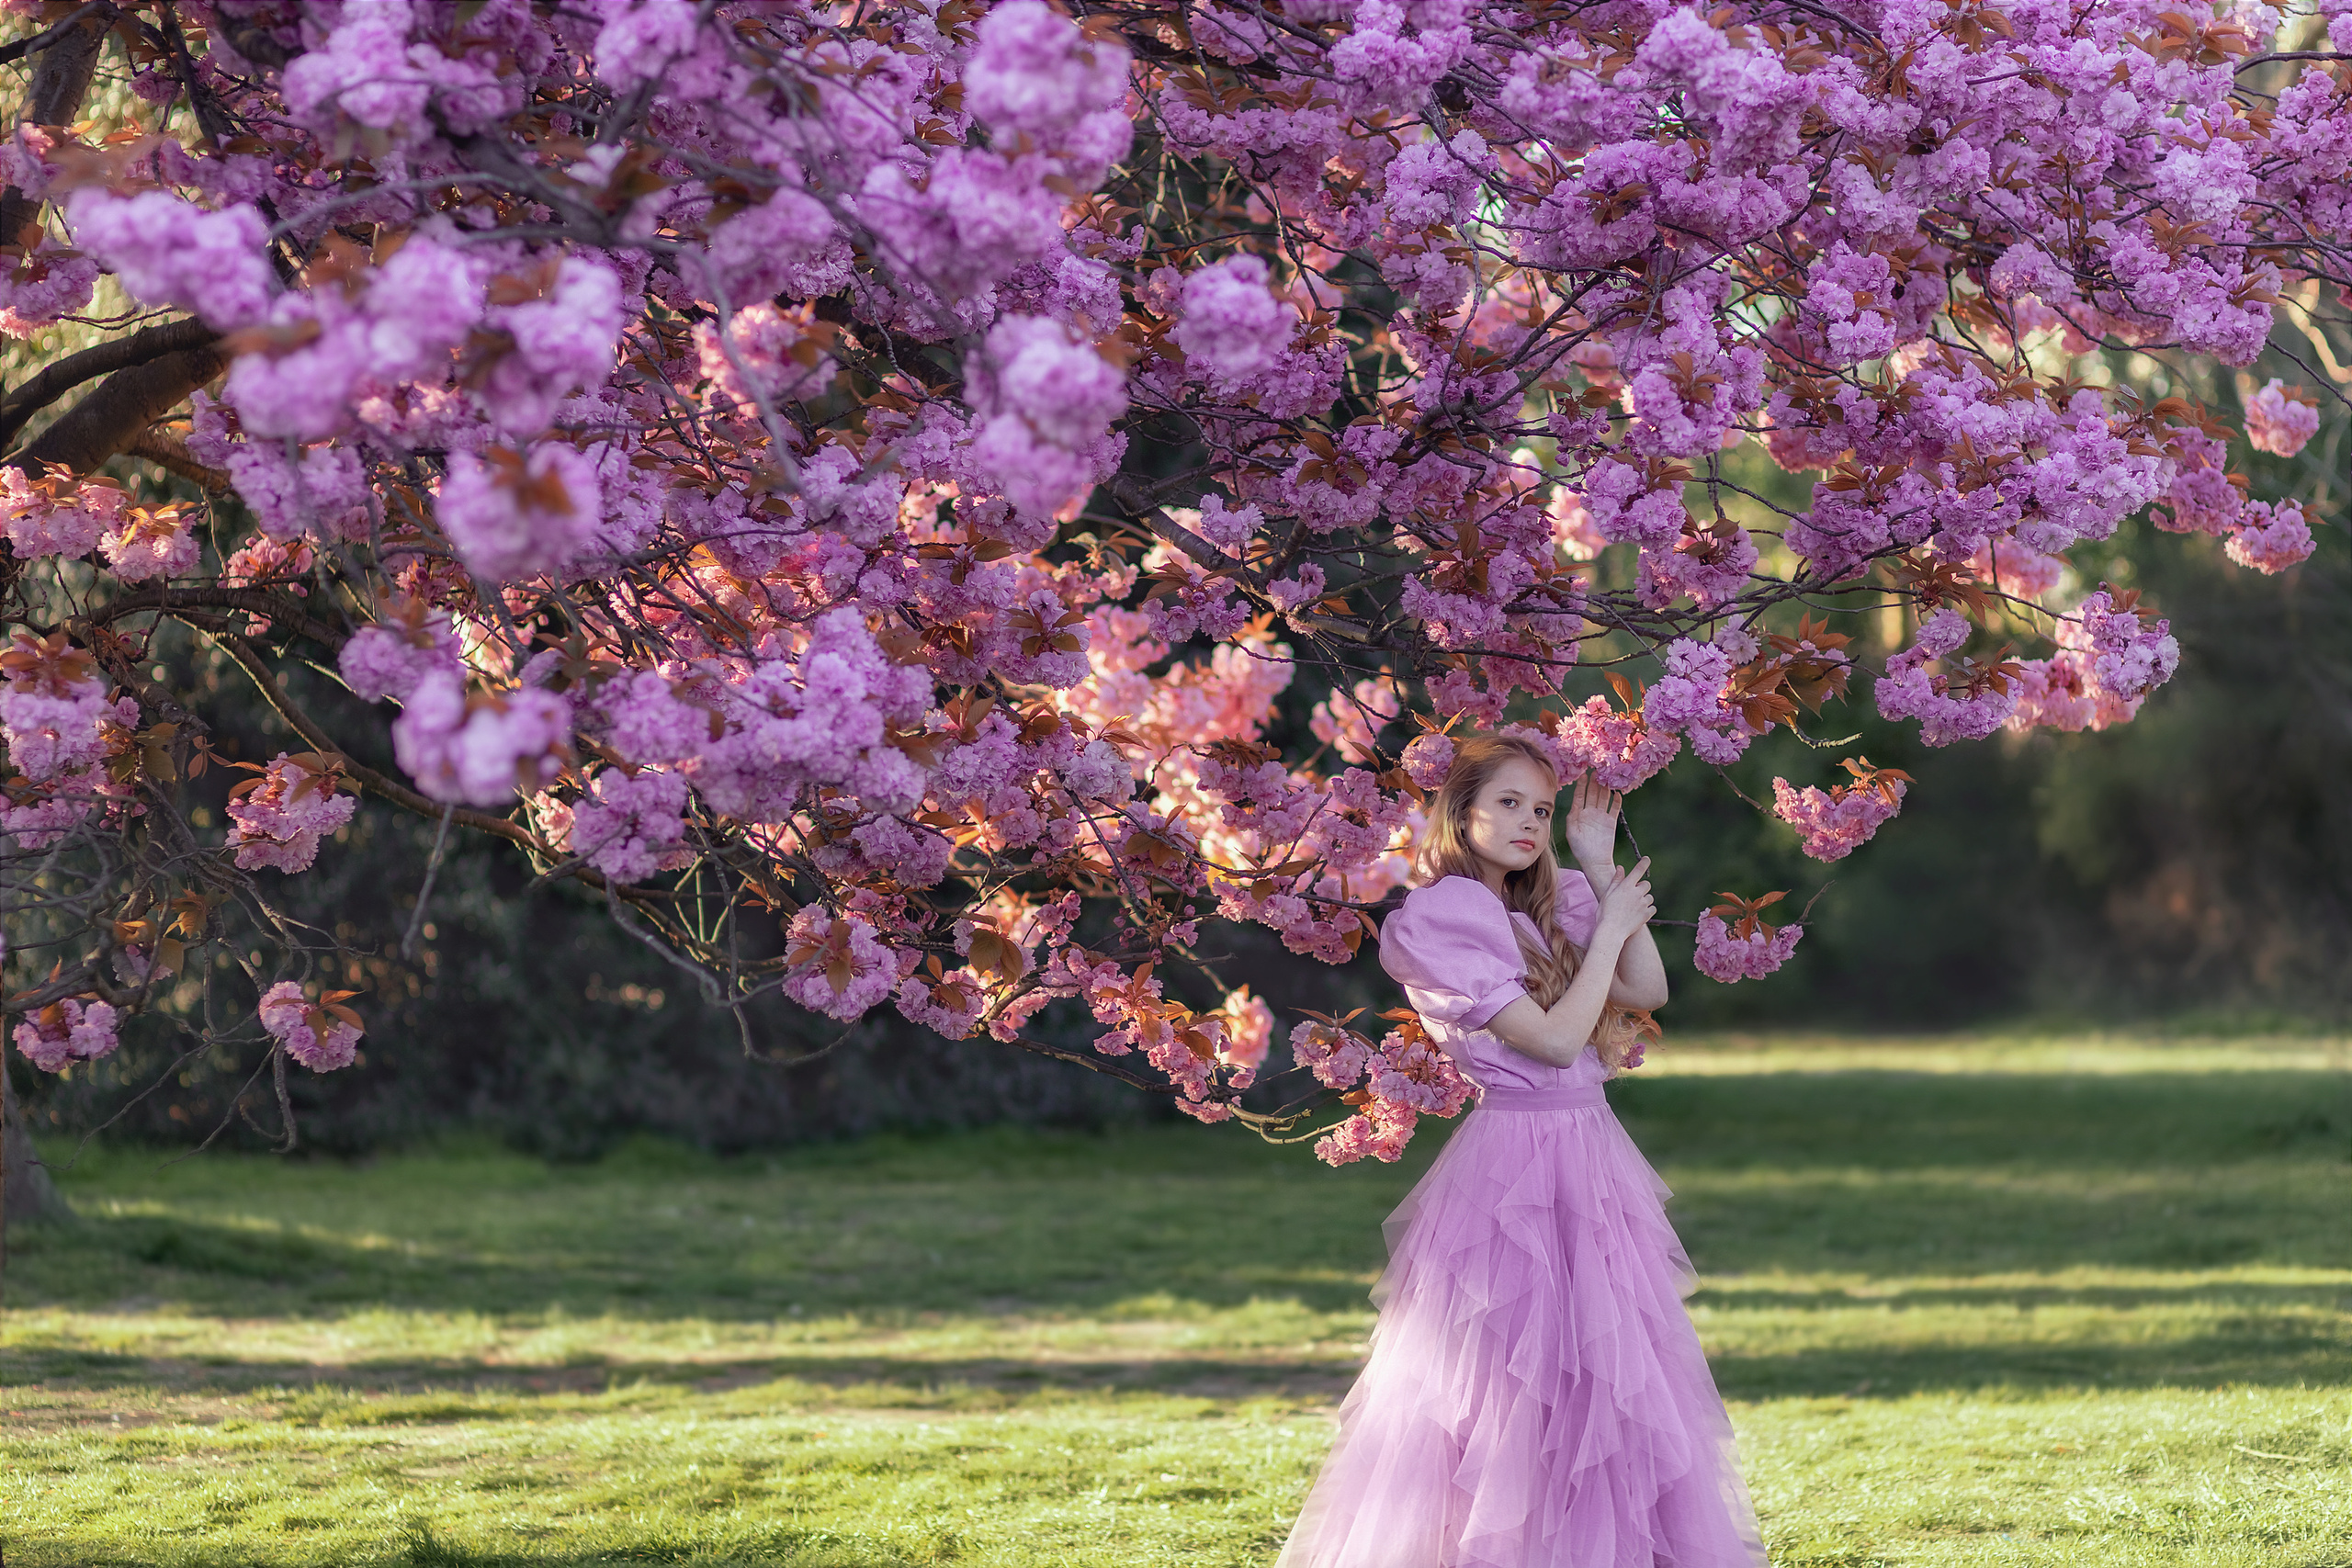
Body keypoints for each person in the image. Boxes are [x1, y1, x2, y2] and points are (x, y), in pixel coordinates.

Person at [1277, 732, 1768, 1568]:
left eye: (1541, 808)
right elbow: (1549, 1041)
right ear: (1461, 811)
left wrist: (1600, 869)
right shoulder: (1442, 916)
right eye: (1508, 802)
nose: (1529, 821)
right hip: (1515, 1160)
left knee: (1602, 1366)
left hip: (1589, 1150)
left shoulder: (1549, 903)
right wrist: (1608, 931)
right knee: (1509, 1374)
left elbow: (1648, 991)